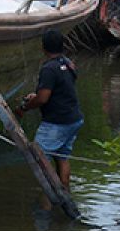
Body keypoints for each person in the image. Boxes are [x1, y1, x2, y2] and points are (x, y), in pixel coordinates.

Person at [15, 29, 83, 189]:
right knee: (62, 157)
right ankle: (64, 192)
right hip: (74, 119)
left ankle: (48, 199)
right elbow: (60, 90)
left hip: (57, 123)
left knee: (39, 159)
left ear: (43, 48)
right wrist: (36, 95)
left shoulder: (49, 69)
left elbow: (43, 98)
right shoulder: (67, 63)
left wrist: (25, 107)